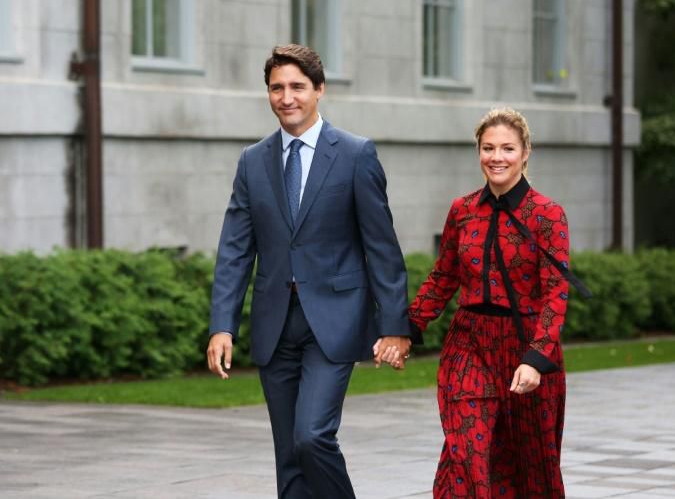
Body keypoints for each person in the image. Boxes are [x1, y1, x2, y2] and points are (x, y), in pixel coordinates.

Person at [206, 44, 412, 499]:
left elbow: (382, 247)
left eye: (297, 86)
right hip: (274, 323)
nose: (287, 97)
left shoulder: (356, 154)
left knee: (312, 436)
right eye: (277, 88)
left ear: (319, 90)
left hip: (334, 322)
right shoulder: (252, 161)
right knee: (289, 456)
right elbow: (235, 249)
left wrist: (395, 326)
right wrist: (222, 324)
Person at [379, 108, 585, 498]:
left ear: (526, 153)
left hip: (526, 345)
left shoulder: (548, 215)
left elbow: (555, 293)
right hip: (470, 342)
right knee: (467, 453)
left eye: (507, 148)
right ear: (478, 152)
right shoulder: (463, 210)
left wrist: (537, 357)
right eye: (488, 148)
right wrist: (406, 329)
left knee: (532, 468)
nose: (497, 157)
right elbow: (443, 278)